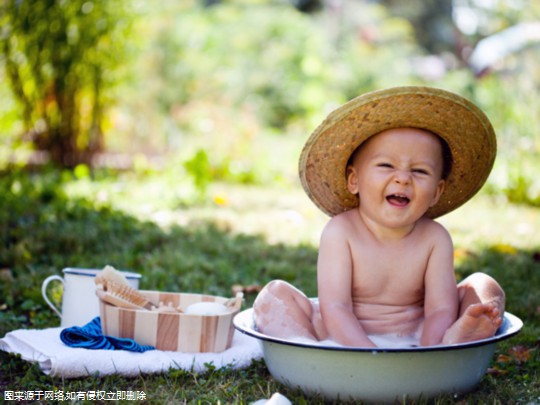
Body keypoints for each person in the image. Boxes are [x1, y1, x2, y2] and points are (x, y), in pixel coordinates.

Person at [253, 86, 506, 348]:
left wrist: (431, 348)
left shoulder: (434, 238)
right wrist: (368, 353)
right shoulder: (341, 231)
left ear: (436, 192)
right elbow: (335, 307)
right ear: (354, 180)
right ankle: (301, 346)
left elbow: (440, 310)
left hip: (417, 335)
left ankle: (454, 341)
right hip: (342, 335)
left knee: (484, 285)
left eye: (419, 171)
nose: (402, 178)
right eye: (386, 165)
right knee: (274, 294)